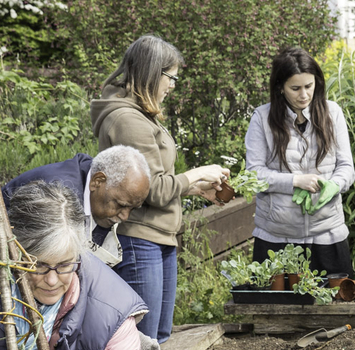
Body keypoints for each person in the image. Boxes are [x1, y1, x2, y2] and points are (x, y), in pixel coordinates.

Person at [90, 34, 230, 343]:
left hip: (158, 238)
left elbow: (158, 180)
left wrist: (195, 189)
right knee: (142, 339)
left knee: (160, 337)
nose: (173, 85)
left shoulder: (140, 115)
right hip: (140, 239)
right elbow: (150, 189)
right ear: (154, 73)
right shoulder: (129, 120)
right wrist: (196, 174)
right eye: (171, 78)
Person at [0, 145, 151, 305]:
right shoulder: (60, 195)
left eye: (132, 208)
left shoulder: (95, 180)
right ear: (98, 181)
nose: (125, 216)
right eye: (120, 205)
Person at [0, 181, 151, 350]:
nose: (52, 280)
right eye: (38, 265)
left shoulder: (112, 311)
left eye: (65, 265)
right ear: (14, 252)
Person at [244, 47, 355, 277]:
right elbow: (253, 175)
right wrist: (295, 181)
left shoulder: (333, 113)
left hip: (328, 235)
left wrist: (334, 184)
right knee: (276, 311)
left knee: (335, 308)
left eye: (309, 86)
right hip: (276, 240)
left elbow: (346, 167)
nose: (304, 94)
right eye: (295, 88)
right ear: (280, 88)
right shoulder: (261, 119)